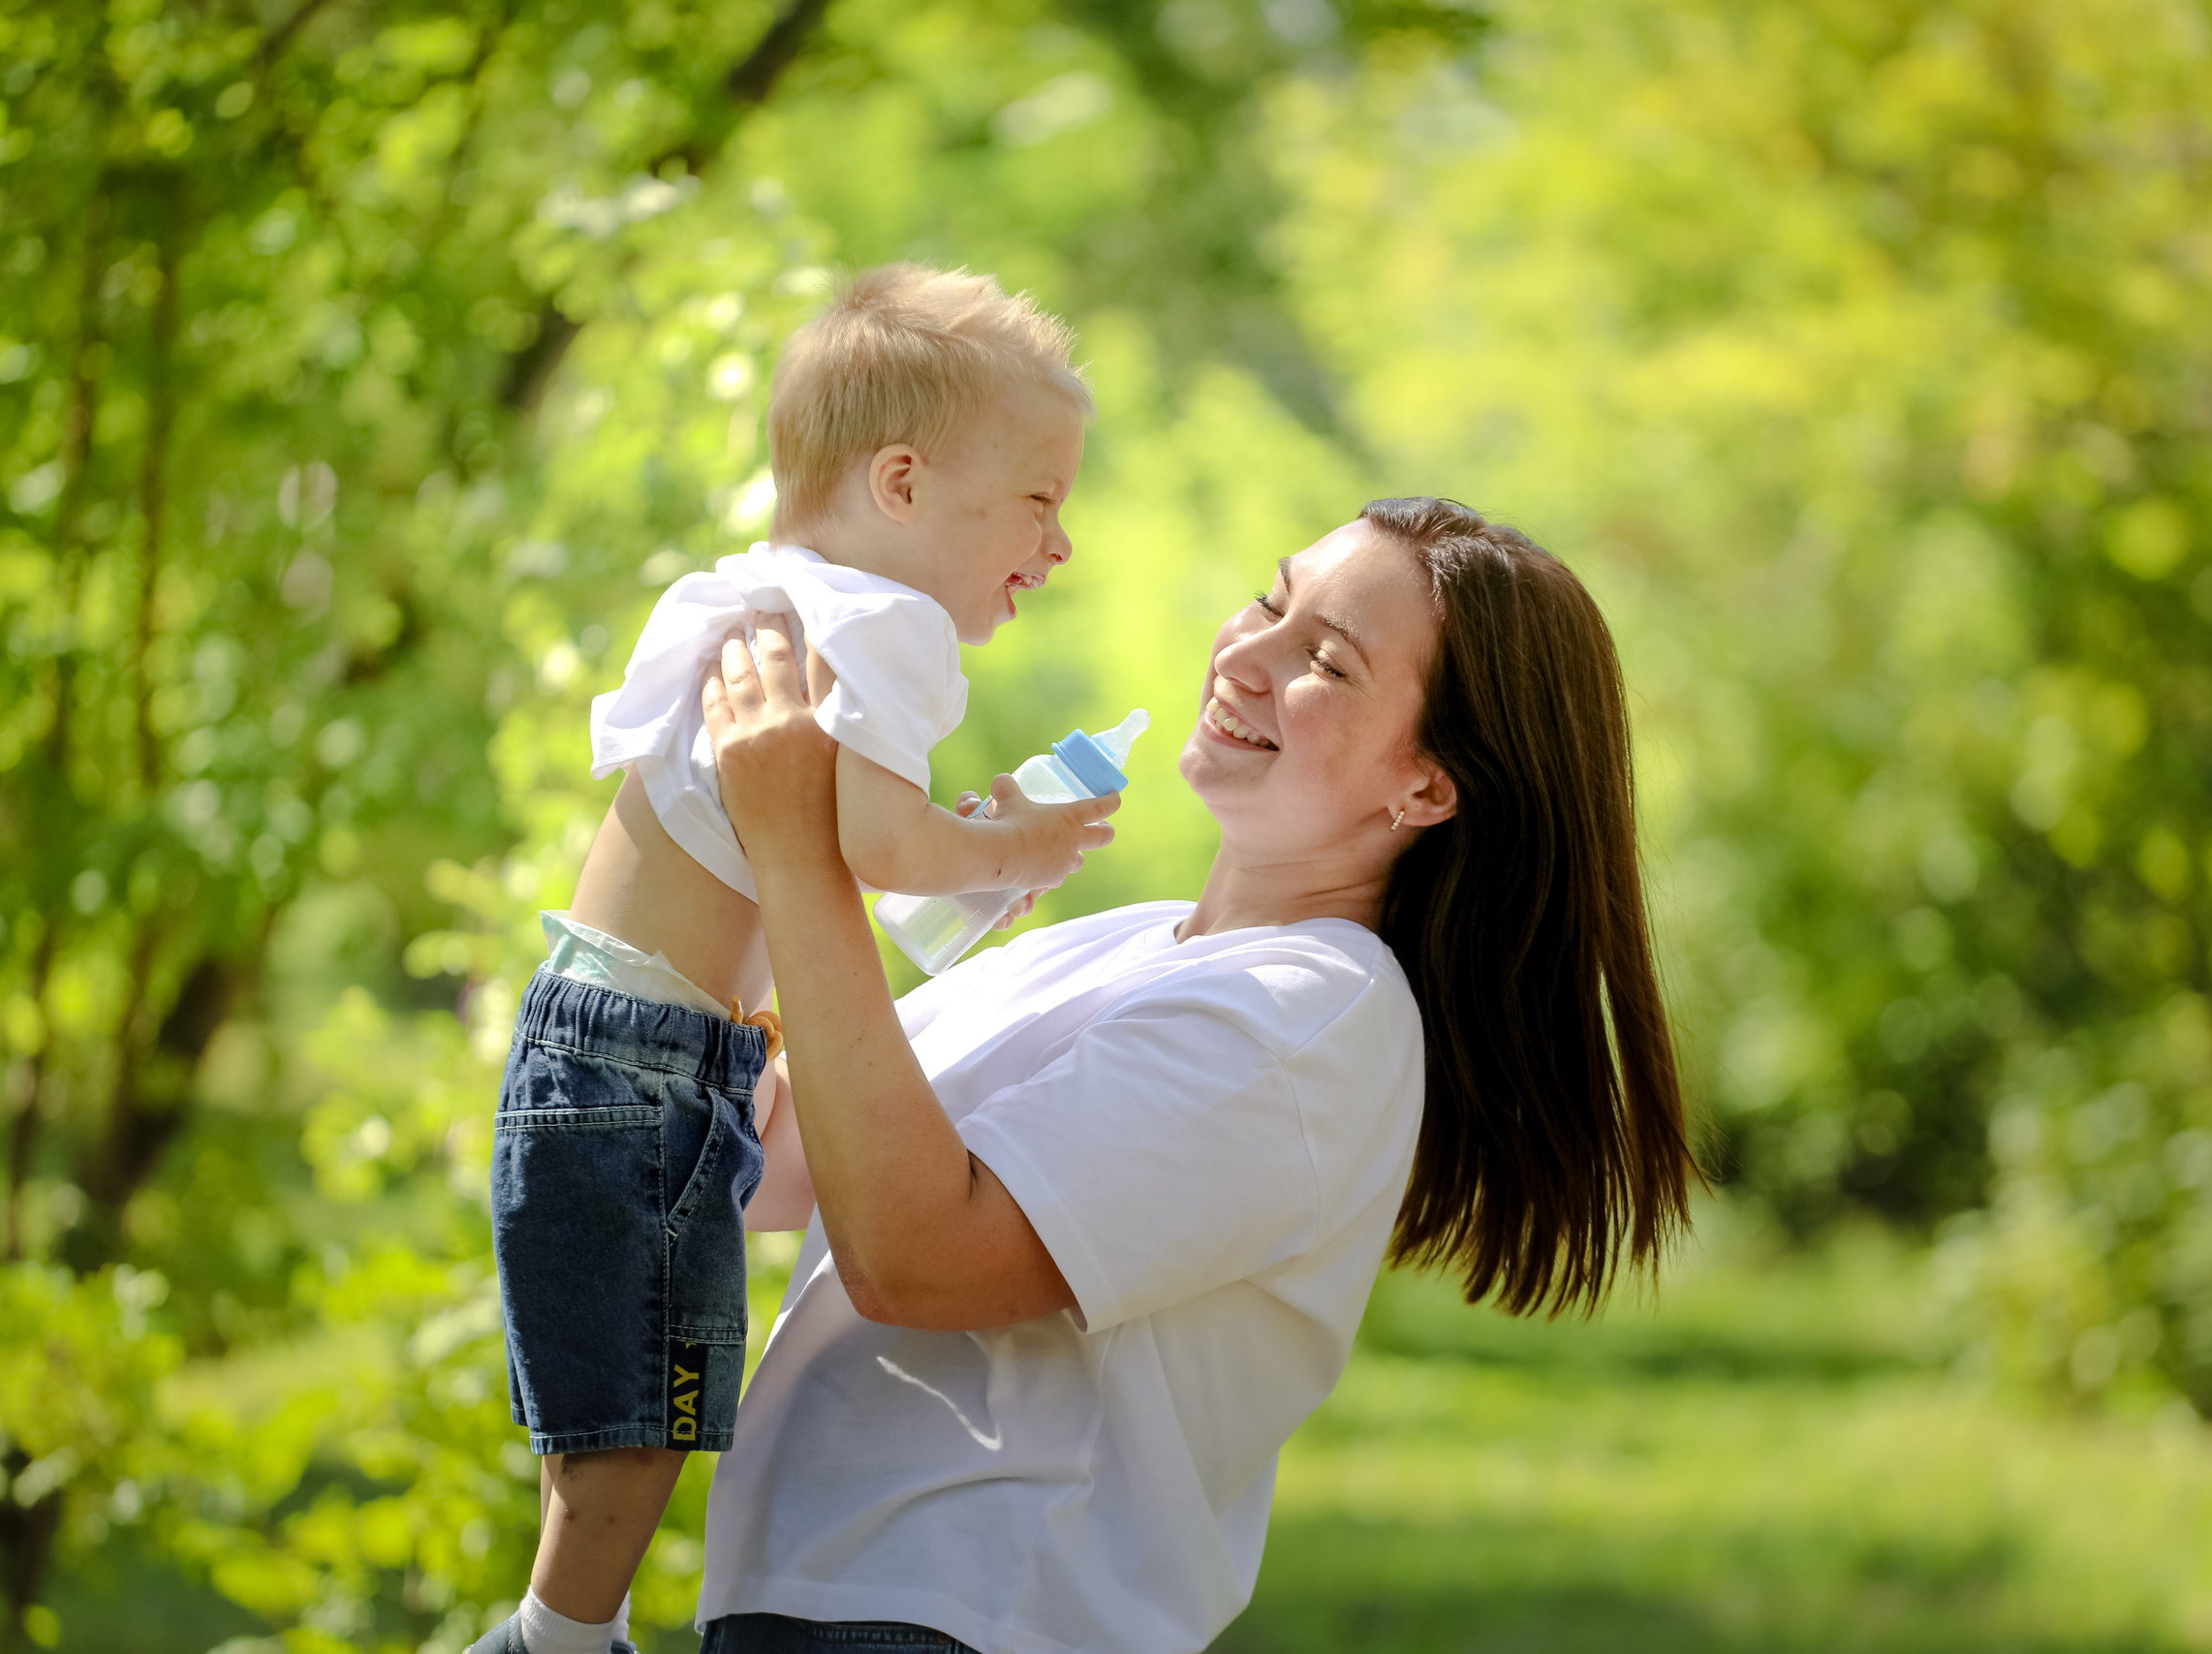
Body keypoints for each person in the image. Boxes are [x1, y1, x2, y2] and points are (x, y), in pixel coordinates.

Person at [690, 498, 1698, 1654]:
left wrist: (799, 858)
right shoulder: (1128, 943)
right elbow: (770, 1164)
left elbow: (914, 1258)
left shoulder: (1310, 1021)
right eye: (1272, 599)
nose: (1248, 654)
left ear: (1424, 789)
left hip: (961, 1621)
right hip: (815, 1599)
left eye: (1323, 659)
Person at [473, 265, 1121, 1654]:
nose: (1057, 542)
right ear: (901, 480)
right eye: (1039, 498)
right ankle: (553, 1643)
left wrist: (979, 866)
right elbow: (882, 843)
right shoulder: (880, 626)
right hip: (646, 1055)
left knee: (619, 1388)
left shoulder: (766, 600)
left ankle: (563, 1625)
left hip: (620, 1035)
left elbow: (838, 871)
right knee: (642, 1402)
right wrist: (1016, 843)